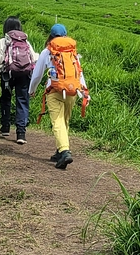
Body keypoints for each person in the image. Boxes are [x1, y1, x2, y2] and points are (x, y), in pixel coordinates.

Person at [28, 24, 88, 169]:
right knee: (65, 121)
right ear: (66, 35)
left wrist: (31, 90)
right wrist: (84, 91)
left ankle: (65, 151)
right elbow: (79, 72)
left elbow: (37, 75)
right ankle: (59, 151)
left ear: (51, 36)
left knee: (58, 122)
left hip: (54, 91)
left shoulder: (47, 52)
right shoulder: (72, 52)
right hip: (73, 91)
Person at [0, 17, 38, 144]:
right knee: (22, 100)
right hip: (25, 75)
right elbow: (34, 58)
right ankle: (21, 133)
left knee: (5, 98)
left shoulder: (3, 41)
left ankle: (5, 127)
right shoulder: (26, 42)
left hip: (7, 75)